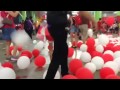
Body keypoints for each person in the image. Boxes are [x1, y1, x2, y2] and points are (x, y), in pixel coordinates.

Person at [44, 11, 72, 79]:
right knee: (58, 53)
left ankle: (65, 72)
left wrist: (69, 16)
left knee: (63, 49)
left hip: (55, 25)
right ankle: (49, 77)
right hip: (59, 26)